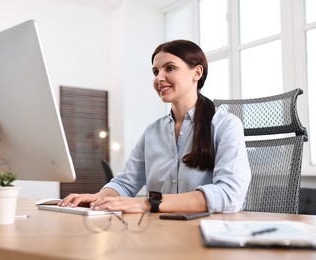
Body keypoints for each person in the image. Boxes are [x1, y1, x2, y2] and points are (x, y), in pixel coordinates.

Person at [60, 40, 251, 213]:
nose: (159, 78)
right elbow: (126, 182)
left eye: (169, 68)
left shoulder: (226, 125)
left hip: (208, 234)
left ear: (197, 73)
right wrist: (99, 198)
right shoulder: (153, 132)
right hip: (161, 231)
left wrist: (148, 203)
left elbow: (229, 195)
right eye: (155, 71)